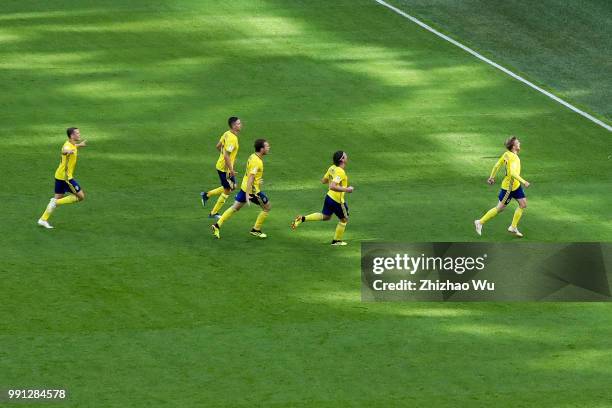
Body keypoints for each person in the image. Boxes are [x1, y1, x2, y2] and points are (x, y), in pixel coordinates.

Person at [291, 151, 354, 245]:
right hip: (337, 201)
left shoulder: (332, 168)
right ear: (342, 159)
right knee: (344, 219)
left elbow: (323, 180)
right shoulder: (340, 172)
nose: (347, 156)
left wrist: (332, 179)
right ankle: (336, 241)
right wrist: (347, 189)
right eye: (345, 155)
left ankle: (302, 219)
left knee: (326, 216)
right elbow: (332, 186)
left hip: (329, 197)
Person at [212, 139, 271, 239]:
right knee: (267, 208)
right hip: (253, 191)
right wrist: (248, 195)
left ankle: (217, 225)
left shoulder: (253, 156)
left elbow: (250, 174)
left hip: (244, 188)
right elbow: (251, 177)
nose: (269, 148)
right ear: (261, 149)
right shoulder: (257, 162)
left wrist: (257, 181)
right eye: (267, 146)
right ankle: (256, 229)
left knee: (235, 208)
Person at [474, 136, 530, 237]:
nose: (519, 143)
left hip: (515, 186)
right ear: (513, 146)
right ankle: (480, 222)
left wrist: (491, 177)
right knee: (499, 208)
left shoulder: (506, 154)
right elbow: (512, 173)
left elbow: (496, 166)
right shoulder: (513, 157)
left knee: (523, 204)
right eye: (518, 143)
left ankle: (513, 227)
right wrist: (524, 181)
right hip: (509, 188)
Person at [37, 127, 87, 229]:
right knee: (81, 196)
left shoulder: (71, 144)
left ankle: (42, 219)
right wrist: (67, 152)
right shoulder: (67, 146)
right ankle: (55, 202)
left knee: (57, 197)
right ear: (72, 135)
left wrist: (80, 145)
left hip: (59, 176)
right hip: (66, 178)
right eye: (77, 133)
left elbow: (72, 147)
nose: (79, 134)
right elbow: (65, 150)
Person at [200, 117, 241, 218]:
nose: (241, 125)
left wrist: (223, 156)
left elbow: (218, 146)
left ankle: (206, 195)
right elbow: (227, 155)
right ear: (234, 126)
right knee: (228, 190)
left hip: (222, 165)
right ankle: (213, 213)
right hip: (225, 168)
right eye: (239, 123)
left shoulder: (227, 133)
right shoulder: (232, 138)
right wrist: (231, 170)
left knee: (233, 186)